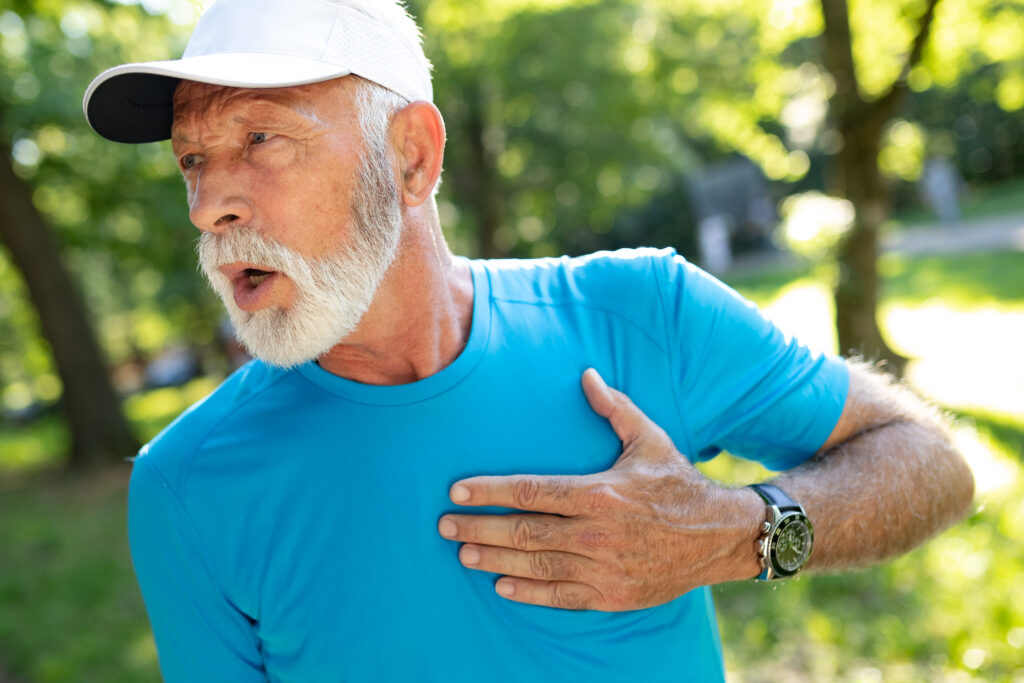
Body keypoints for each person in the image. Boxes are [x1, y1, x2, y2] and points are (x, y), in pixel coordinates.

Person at [83, 0, 974, 680]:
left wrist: (731, 531)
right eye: (193, 160)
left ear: (412, 158)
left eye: (261, 138)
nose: (209, 206)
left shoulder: (641, 311)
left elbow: (931, 461)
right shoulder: (186, 484)